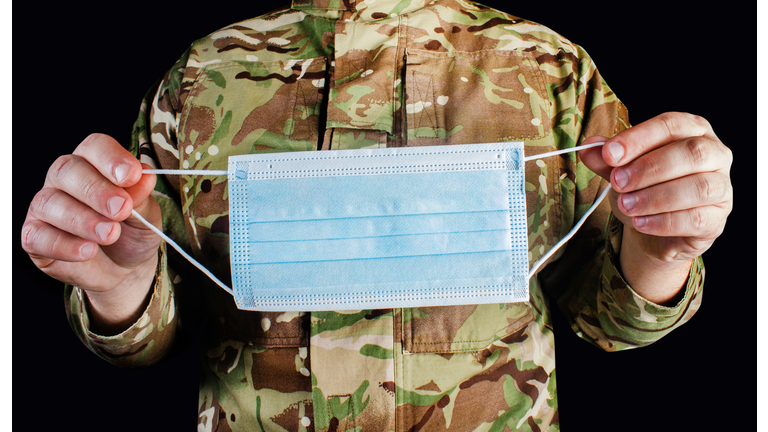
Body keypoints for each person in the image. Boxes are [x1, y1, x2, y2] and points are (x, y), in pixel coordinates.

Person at [20, 1, 735, 430]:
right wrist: (120, 284)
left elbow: (603, 318)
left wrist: (662, 250)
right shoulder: (208, 73)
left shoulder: (550, 71)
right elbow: (154, 331)